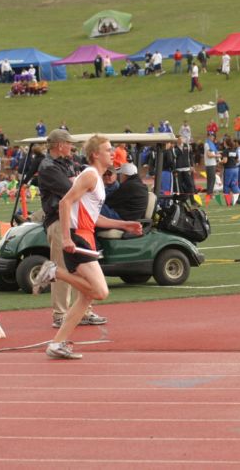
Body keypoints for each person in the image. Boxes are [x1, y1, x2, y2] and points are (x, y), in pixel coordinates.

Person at [33, 135, 143, 359]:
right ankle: (55, 271)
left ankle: (57, 344)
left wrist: (124, 225)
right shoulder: (90, 175)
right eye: (108, 149)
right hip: (78, 237)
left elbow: (93, 218)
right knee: (100, 291)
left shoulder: (97, 179)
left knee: (86, 296)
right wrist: (66, 238)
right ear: (95, 154)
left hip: (86, 235)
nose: (112, 153)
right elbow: (64, 202)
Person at [38, 129, 107, 329]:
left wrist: (77, 182)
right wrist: (77, 182)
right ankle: (60, 314)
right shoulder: (48, 166)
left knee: (80, 268)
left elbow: (79, 183)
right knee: (62, 266)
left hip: (75, 221)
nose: (72, 148)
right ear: (60, 145)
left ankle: (84, 310)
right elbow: (70, 190)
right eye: (69, 144)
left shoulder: (69, 162)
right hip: (60, 221)